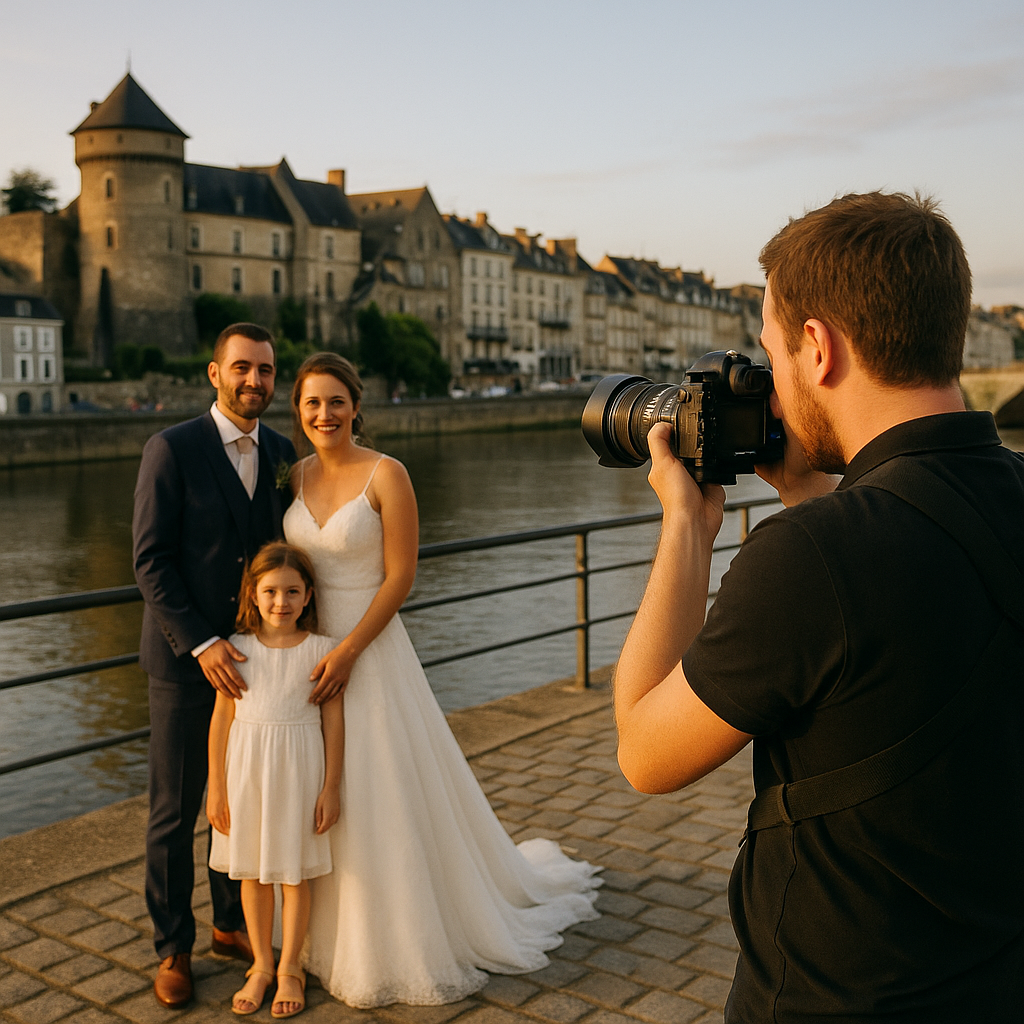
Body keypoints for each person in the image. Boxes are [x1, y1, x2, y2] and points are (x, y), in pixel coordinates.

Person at [614, 192, 1024, 1021]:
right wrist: (813, 494)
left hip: (837, 993)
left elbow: (645, 755)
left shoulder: (813, 557)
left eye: (770, 350)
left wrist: (686, 525)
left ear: (817, 346)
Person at [282, 352, 602, 1008]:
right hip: (309, 654)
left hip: (369, 649)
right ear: (299, 410)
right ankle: (316, 934)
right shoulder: (295, 475)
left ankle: (397, 939)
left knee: (380, 789)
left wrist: (348, 653)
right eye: (312, 403)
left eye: (335, 401)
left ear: (356, 404)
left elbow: (400, 575)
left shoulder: (387, 473)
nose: (324, 414)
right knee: (320, 786)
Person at [132, 323, 296, 1009]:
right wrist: (201, 644)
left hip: (258, 663)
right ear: (214, 373)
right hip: (185, 663)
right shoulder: (170, 449)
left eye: (264, 370)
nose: (254, 381)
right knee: (176, 810)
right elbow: (150, 560)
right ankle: (173, 946)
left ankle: (231, 924)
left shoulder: (285, 453)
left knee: (241, 805)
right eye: (242, 369)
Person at [207, 542, 342, 1018]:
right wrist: (217, 788)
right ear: (253, 594)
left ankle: (290, 967)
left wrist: (331, 787)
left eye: (291, 591)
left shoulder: (323, 651)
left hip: (299, 774)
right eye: (270, 591)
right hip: (246, 773)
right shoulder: (237, 650)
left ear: (307, 596)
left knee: (293, 873)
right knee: (251, 870)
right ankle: (261, 962)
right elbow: (221, 721)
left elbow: (333, 723)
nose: (280, 601)